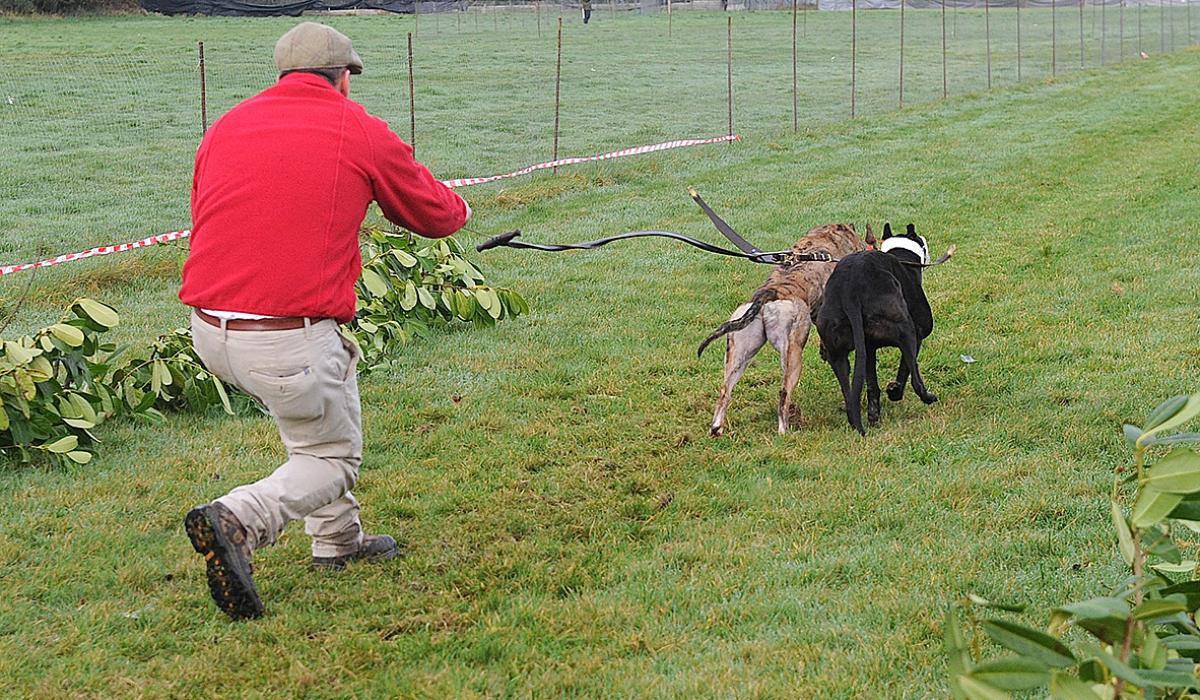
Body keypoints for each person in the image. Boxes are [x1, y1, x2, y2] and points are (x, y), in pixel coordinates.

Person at [179, 22, 470, 621]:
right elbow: (435, 214)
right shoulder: (354, 127)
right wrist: (462, 205)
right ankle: (240, 519)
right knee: (333, 457)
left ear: (282, 75)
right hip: (285, 335)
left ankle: (337, 541)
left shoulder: (227, 125)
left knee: (314, 411)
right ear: (343, 78)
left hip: (208, 328)